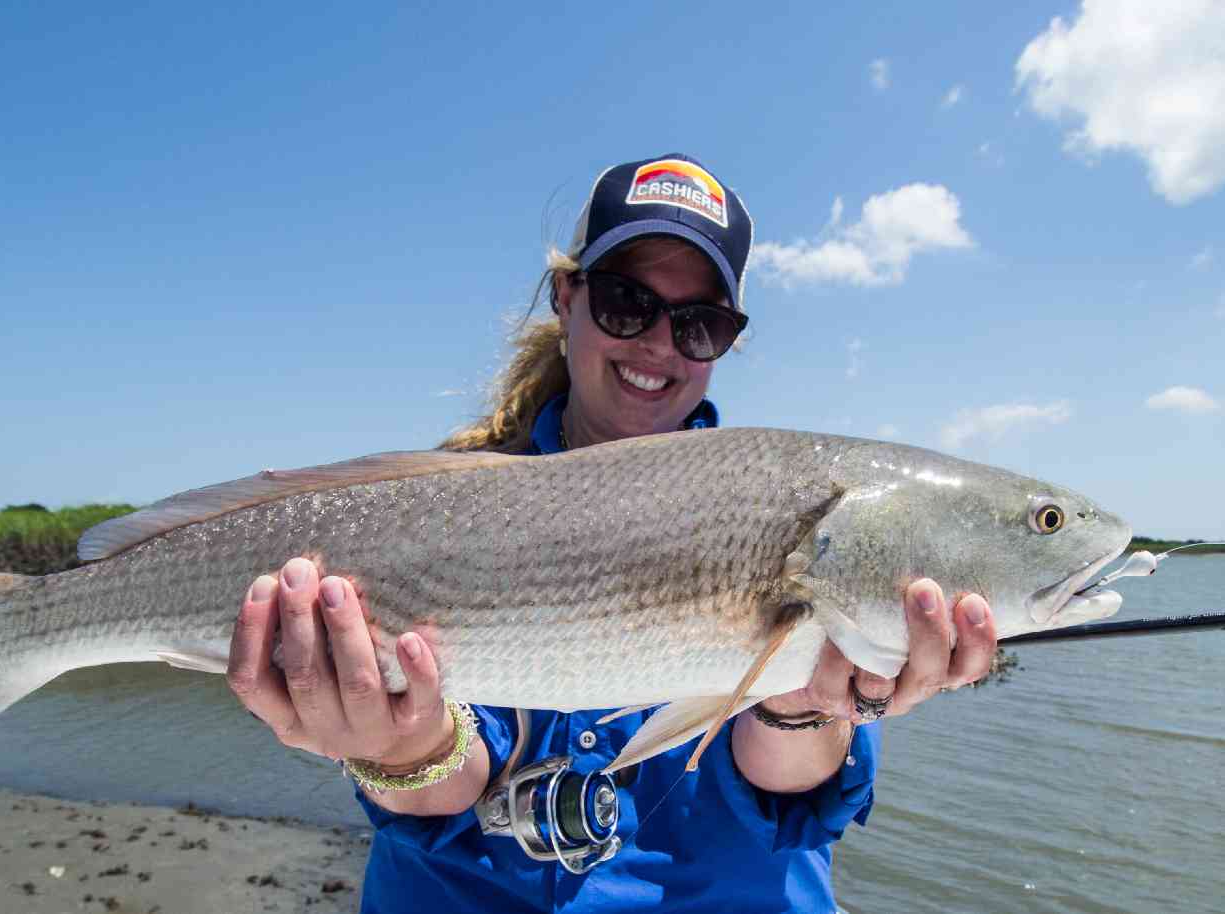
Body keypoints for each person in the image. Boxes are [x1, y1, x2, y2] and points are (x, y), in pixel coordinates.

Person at [225, 154, 998, 913]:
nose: (659, 343)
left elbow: (784, 787)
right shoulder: (443, 508)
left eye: (700, 325)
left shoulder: (790, 509)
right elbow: (451, 783)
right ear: (567, 300)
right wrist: (400, 748)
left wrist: (802, 708)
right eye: (627, 304)